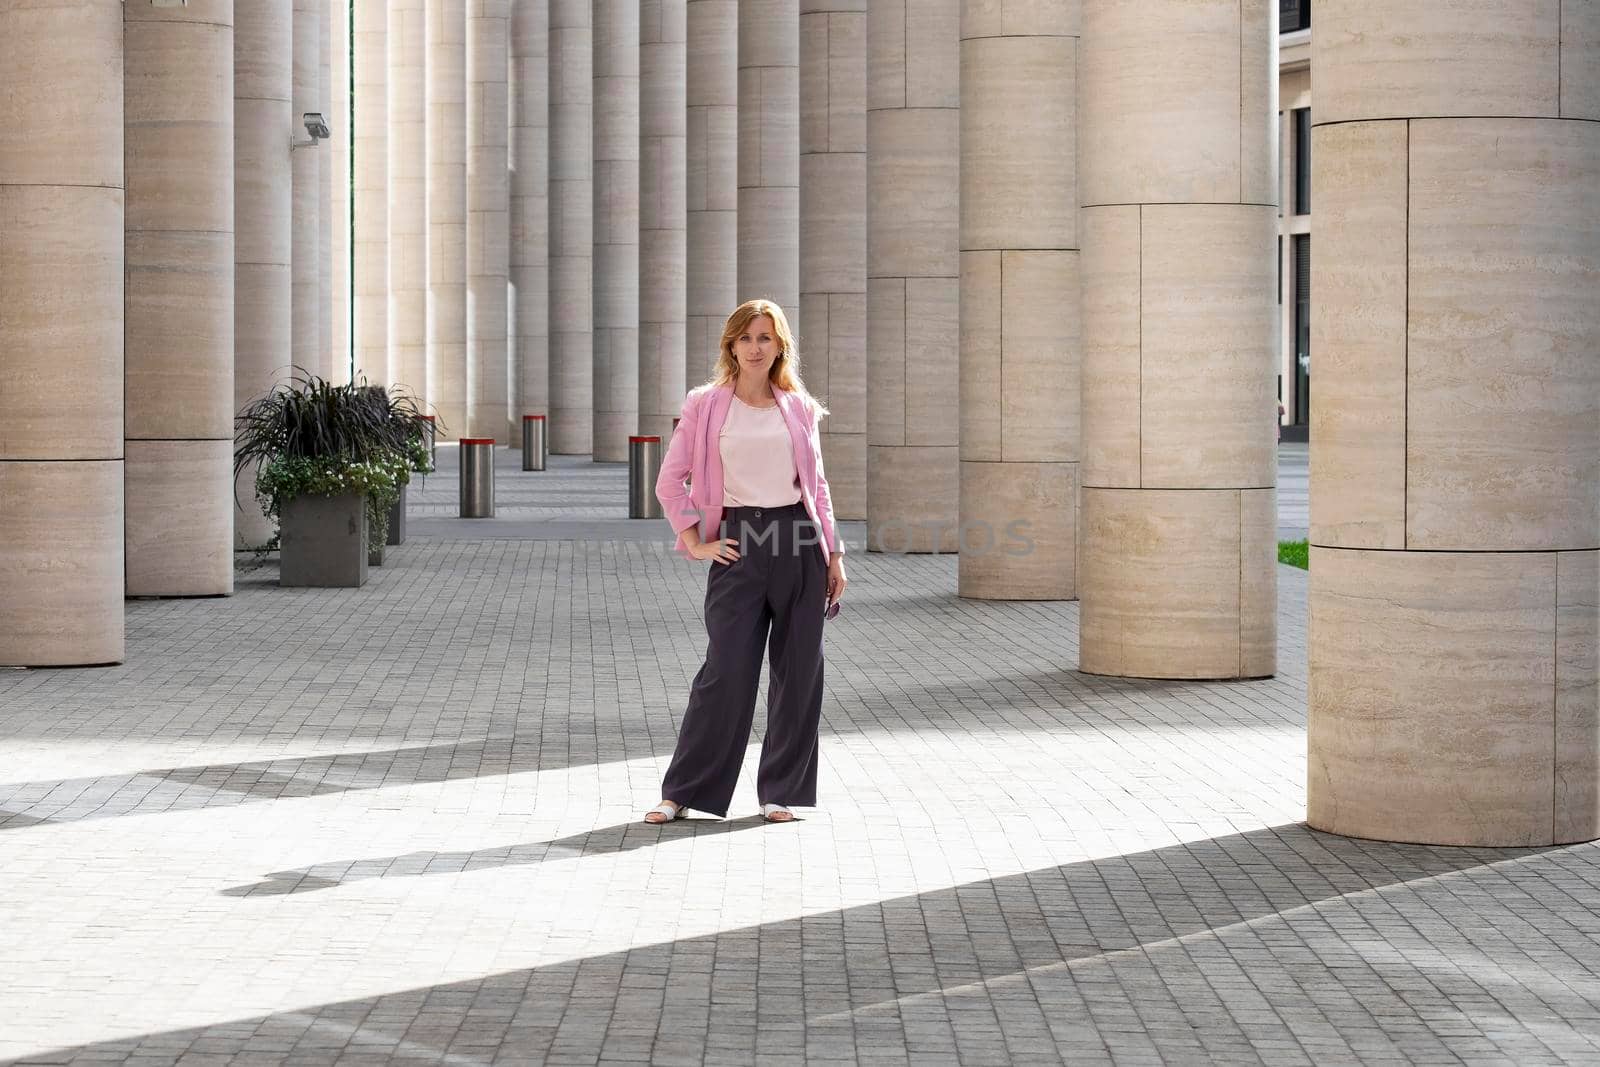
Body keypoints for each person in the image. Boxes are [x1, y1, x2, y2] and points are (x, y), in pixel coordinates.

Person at [644, 299, 847, 825]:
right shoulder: (707, 405)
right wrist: (695, 541)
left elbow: (818, 488)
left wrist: (835, 554)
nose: (755, 348)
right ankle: (684, 791)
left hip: (799, 543)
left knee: (799, 672)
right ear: (731, 345)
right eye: (746, 338)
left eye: (766, 338)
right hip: (738, 541)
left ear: (780, 346)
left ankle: (781, 792)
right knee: (726, 672)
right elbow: (671, 480)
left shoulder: (798, 408)